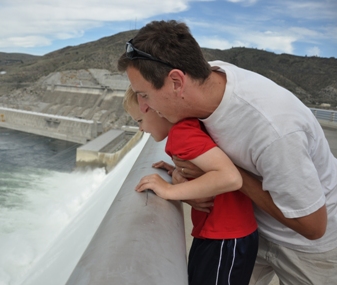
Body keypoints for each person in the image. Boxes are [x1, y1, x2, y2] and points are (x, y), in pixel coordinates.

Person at [117, 20, 337, 285]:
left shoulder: (274, 130)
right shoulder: (206, 79)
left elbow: (313, 227)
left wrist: (226, 175)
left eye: (144, 95)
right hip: (250, 227)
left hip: (309, 247)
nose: (143, 107)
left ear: (176, 82)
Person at [123, 86, 258, 285]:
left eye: (140, 121)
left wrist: (170, 190)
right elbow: (208, 164)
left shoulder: (180, 135)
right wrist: (179, 170)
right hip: (220, 233)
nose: (141, 129)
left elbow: (231, 177)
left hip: (225, 237)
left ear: (156, 110)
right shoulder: (188, 127)